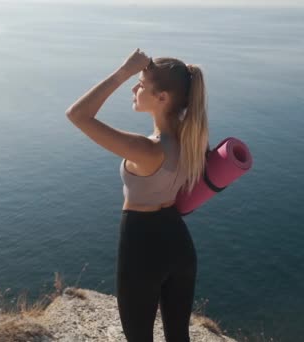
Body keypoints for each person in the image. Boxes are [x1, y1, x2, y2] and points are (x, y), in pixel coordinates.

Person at [65, 48, 209, 341]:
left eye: (141, 84)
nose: (134, 87)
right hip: (180, 244)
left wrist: (124, 71)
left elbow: (77, 115)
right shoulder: (194, 137)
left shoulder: (148, 150)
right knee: (179, 335)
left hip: (142, 247)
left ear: (162, 98)